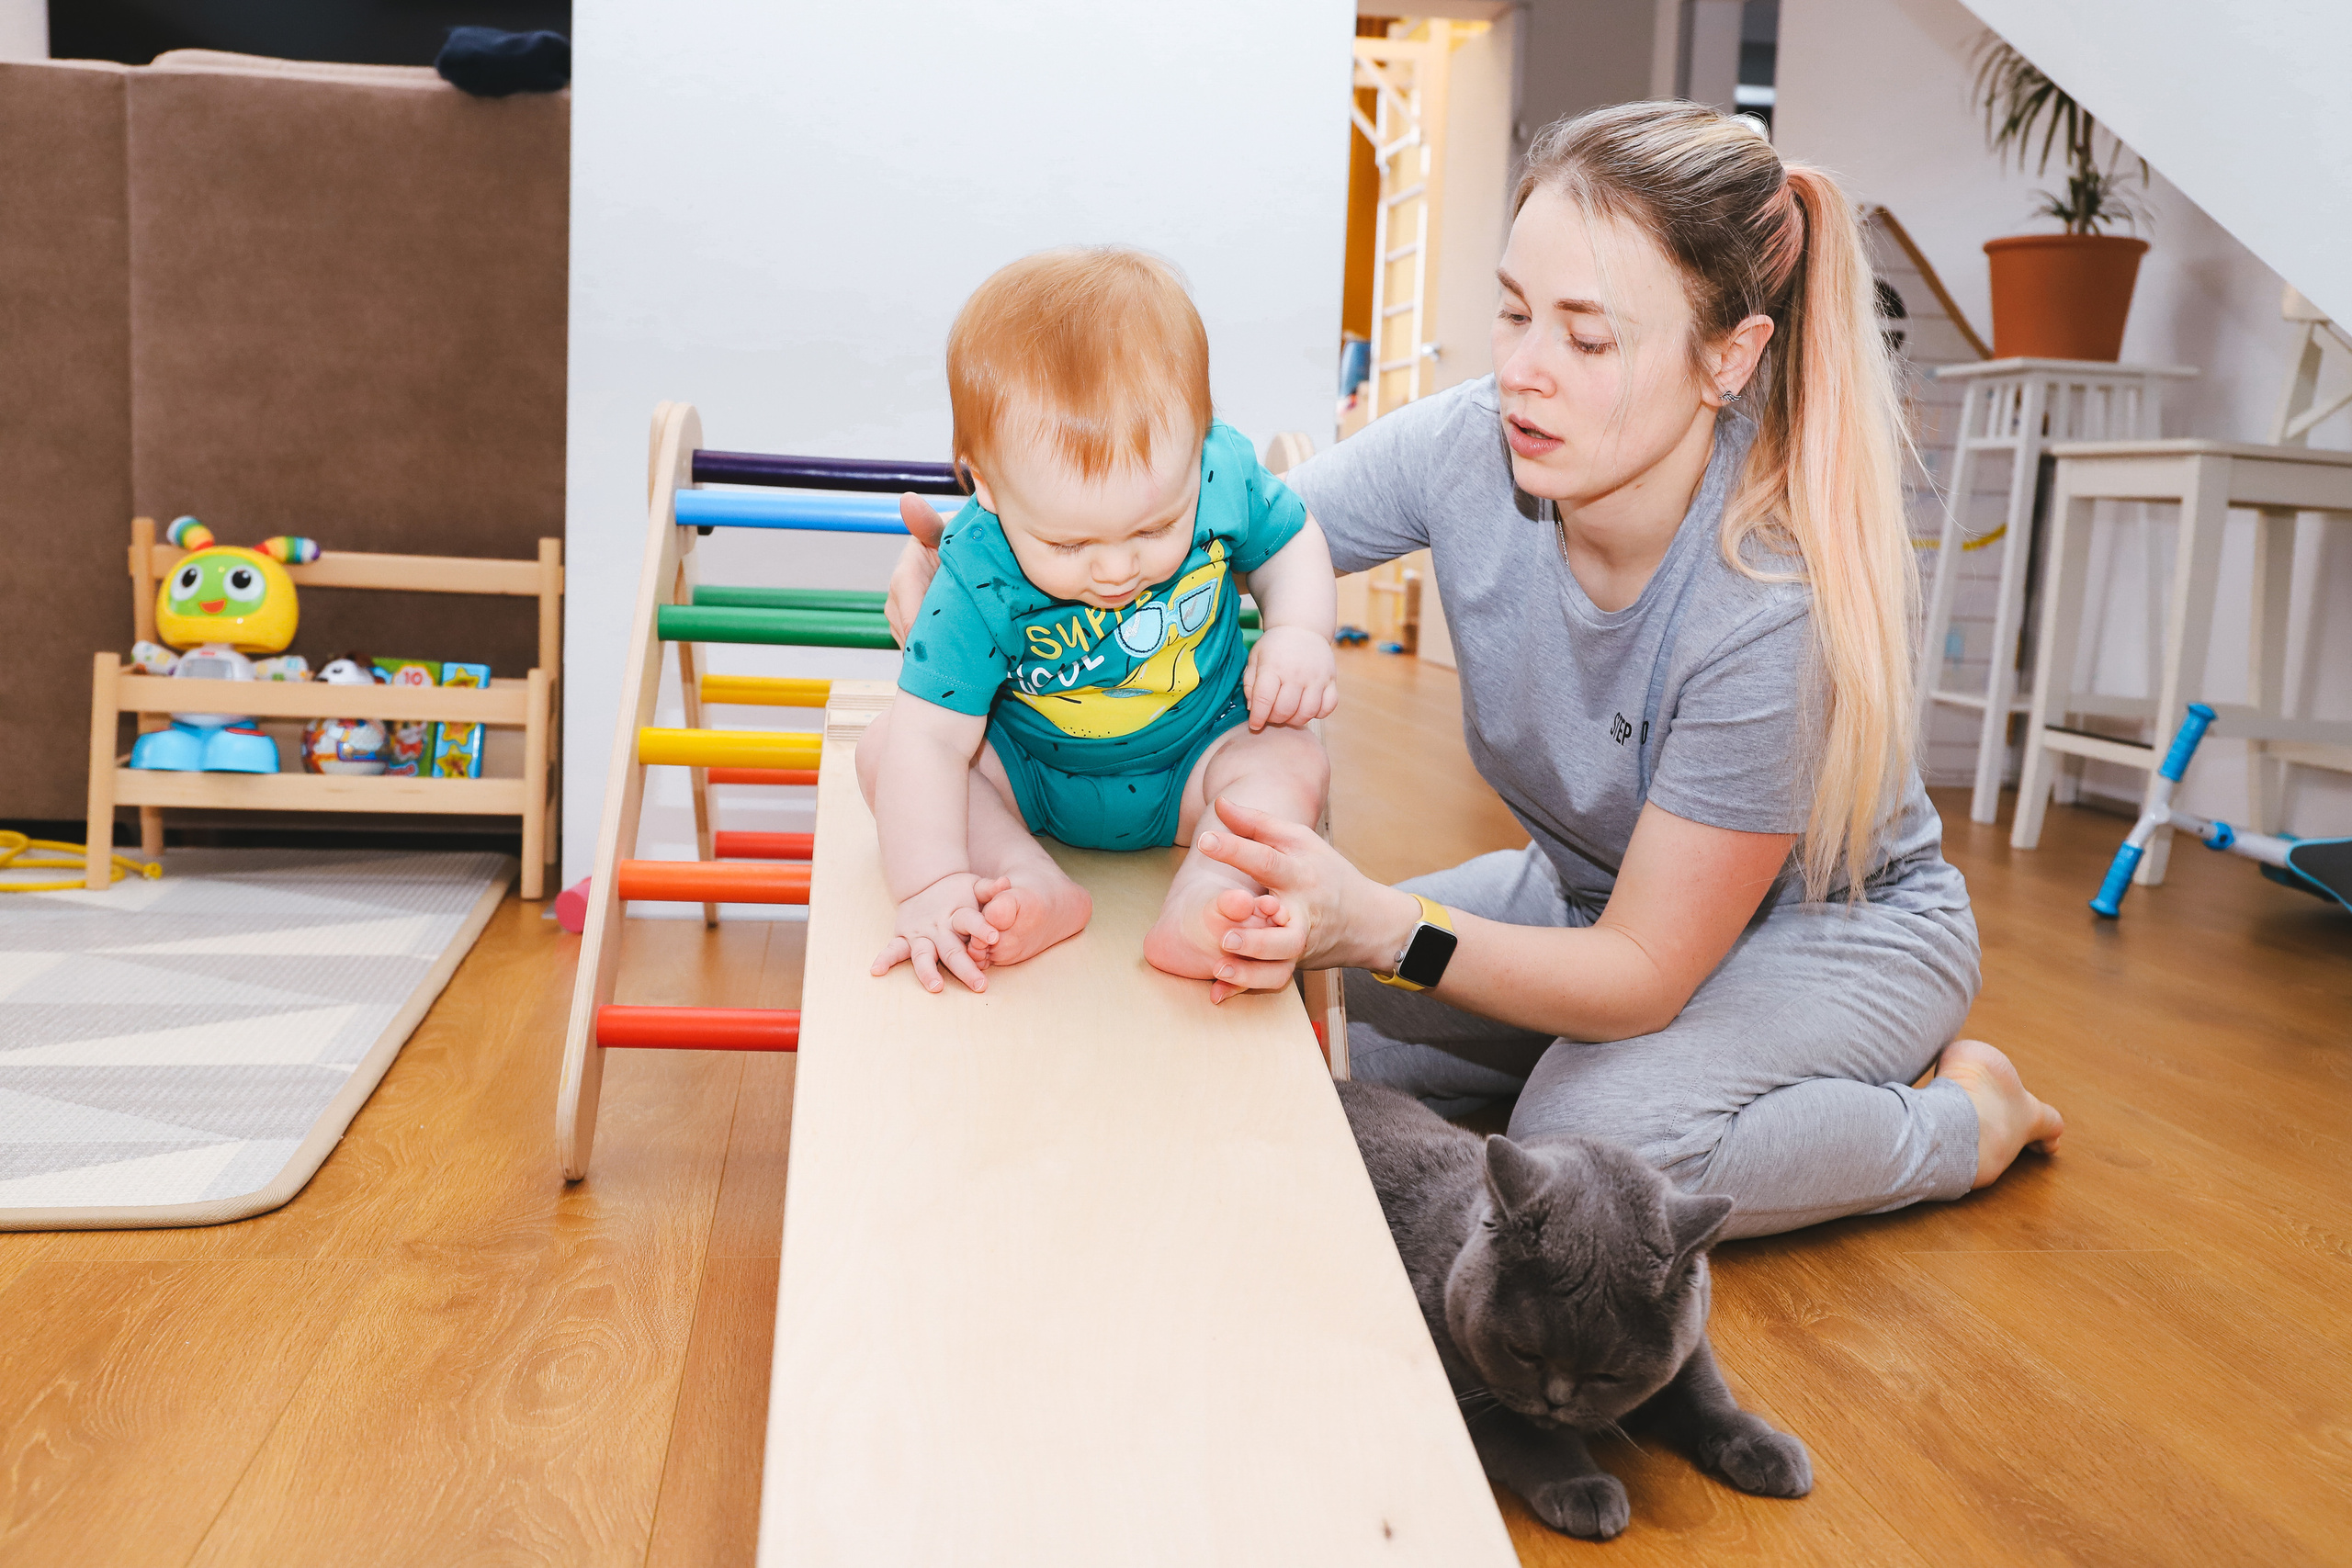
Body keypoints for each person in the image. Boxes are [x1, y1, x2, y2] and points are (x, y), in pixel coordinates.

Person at [888, 106, 2063, 1238]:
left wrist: (1384, 927)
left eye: (1588, 337)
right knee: (1287, 1021)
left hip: (1828, 934)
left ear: (1729, 357)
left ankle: (1965, 1119)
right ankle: (1622, 1062)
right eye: (1512, 314)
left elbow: (1644, 974)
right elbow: (1204, 545)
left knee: (1585, 1151)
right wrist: (973, 585)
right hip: (1583, 897)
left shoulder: (1765, 610)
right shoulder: (1473, 444)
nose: (1524, 372)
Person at [863, 246, 1339, 997]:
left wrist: (1297, 632)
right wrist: (928, 886)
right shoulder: (975, 569)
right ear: (986, 486)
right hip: (1032, 775)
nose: (1116, 569)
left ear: (1201, 445)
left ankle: (1204, 892)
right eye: (1067, 544)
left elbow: (1290, 542)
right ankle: (1024, 875)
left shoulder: (1221, 471)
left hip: (1201, 758)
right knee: (887, 748)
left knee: (1293, 756)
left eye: (1154, 529)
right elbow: (929, 737)